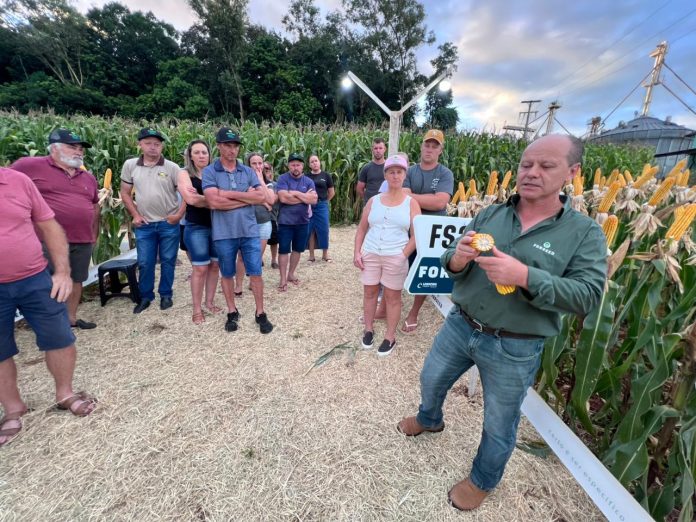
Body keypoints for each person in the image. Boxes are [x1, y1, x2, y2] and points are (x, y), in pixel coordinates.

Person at [397, 135, 607, 510]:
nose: (532, 173)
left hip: (515, 344)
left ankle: (483, 479)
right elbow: (451, 256)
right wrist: (458, 259)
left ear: (572, 172)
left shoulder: (584, 233)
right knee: (431, 378)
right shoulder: (492, 214)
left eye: (546, 166)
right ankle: (429, 419)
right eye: (526, 164)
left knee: (499, 422)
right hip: (461, 325)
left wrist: (525, 276)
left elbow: (587, 296)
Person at [0, 167, 97, 448]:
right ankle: (13, 408)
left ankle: (65, 393)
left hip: (34, 277)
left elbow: (49, 226)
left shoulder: (18, 181)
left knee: (60, 337)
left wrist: (63, 272)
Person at [11, 128, 99, 330]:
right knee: (45, 282)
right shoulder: (29, 166)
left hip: (82, 239)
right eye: (72, 147)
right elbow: (6, 182)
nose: (78, 152)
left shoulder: (88, 177)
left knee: (76, 279)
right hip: (44, 240)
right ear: (54, 148)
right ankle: (48, 324)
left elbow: (95, 207)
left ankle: (70, 319)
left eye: (80, 148)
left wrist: (94, 234)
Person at [202, 127, 273, 334]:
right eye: (227, 145)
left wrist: (226, 194)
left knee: (256, 273)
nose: (232, 150)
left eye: (235, 146)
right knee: (227, 274)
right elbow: (213, 202)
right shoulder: (210, 171)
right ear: (219, 146)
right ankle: (232, 311)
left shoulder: (247, 171)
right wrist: (245, 197)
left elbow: (261, 197)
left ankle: (260, 312)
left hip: (249, 231)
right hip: (224, 233)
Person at [354, 155, 420, 356]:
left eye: (399, 172)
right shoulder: (374, 201)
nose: (395, 175)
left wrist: (403, 255)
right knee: (369, 292)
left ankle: (390, 336)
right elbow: (362, 228)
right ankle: (368, 329)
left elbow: (416, 235)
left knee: (392, 297)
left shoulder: (411, 203)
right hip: (371, 252)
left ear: (404, 175)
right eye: (391, 172)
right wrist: (357, 252)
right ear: (385, 175)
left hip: (395, 255)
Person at [119, 128, 185, 314]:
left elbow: (186, 194)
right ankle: (146, 296)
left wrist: (179, 215)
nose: (153, 147)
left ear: (161, 146)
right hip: (145, 224)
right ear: (140, 144)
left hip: (168, 223)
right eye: (148, 143)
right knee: (145, 262)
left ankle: (166, 294)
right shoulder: (130, 165)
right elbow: (125, 193)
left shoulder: (172, 168)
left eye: (157, 144)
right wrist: (135, 214)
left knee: (168, 260)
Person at [400, 129, 454, 334]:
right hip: (407, 227)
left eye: (434, 146)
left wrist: (412, 197)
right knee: (399, 267)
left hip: (432, 232)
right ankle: (388, 304)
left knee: (424, 272)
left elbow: (440, 202)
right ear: (421, 146)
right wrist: (426, 199)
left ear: (440, 150)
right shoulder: (409, 171)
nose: (430, 149)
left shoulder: (445, 173)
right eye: (427, 145)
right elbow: (403, 197)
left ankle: (413, 312)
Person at [177, 140, 221, 325]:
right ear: (190, 155)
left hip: (218, 226)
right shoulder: (184, 173)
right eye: (197, 152)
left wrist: (204, 198)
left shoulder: (216, 173)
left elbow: (224, 196)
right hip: (196, 226)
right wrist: (215, 199)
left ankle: (209, 302)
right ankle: (196, 309)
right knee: (200, 268)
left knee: (215, 266)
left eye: (204, 152)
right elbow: (191, 200)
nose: (202, 155)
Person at [234, 152, 277, 296]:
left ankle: (253, 282)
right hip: (246, 223)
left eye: (260, 163)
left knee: (257, 256)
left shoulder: (267, 182)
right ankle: (238, 285)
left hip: (264, 222)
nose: (258, 166)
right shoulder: (241, 180)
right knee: (241, 256)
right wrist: (261, 201)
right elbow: (240, 198)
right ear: (248, 165)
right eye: (254, 163)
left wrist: (259, 181)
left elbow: (271, 200)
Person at [276, 153, 317, 292]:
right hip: (285, 222)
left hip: (303, 221)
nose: (295, 167)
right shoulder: (283, 179)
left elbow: (313, 200)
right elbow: (283, 198)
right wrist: (305, 197)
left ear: (302, 166)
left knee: (298, 249)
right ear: (288, 166)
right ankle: (282, 279)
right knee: (283, 250)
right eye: (293, 165)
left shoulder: (308, 181)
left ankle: (291, 274)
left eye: (298, 165)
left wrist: (295, 193)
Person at [306, 154, 335, 262]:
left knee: (324, 229)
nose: (314, 163)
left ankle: (325, 255)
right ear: (309, 165)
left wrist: (325, 201)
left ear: (319, 162)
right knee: (310, 230)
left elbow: (331, 192)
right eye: (312, 162)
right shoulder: (306, 177)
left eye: (316, 161)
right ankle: (311, 255)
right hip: (309, 206)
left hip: (322, 205)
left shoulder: (326, 175)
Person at [356, 137, 386, 204]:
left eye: (380, 148)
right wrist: (367, 200)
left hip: (386, 204)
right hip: (370, 205)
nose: (378, 151)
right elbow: (359, 188)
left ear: (384, 149)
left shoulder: (389, 168)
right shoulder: (366, 168)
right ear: (372, 150)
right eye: (375, 148)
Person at [263, 162, 280, 269]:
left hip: (272, 217)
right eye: (264, 170)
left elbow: (274, 199)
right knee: (260, 240)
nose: (267, 173)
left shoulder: (276, 185)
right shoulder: (256, 184)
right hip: (259, 218)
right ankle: (259, 259)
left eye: (268, 170)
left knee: (274, 241)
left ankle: (274, 260)